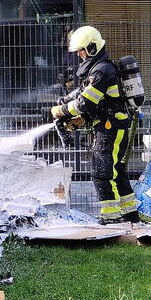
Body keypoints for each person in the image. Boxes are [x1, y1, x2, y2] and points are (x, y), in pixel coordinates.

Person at [48, 25, 140, 223]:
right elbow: (102, 104)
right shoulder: (99, 68)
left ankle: (111, 217)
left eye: (82, 50)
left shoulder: (101, 71)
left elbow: (85, 102)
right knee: (115, 170)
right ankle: (130, 214)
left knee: (102, 171)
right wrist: (82, 120)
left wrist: (61, 111)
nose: (80, 54)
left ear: (92, 47)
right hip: (110, 124)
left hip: (112, 127)